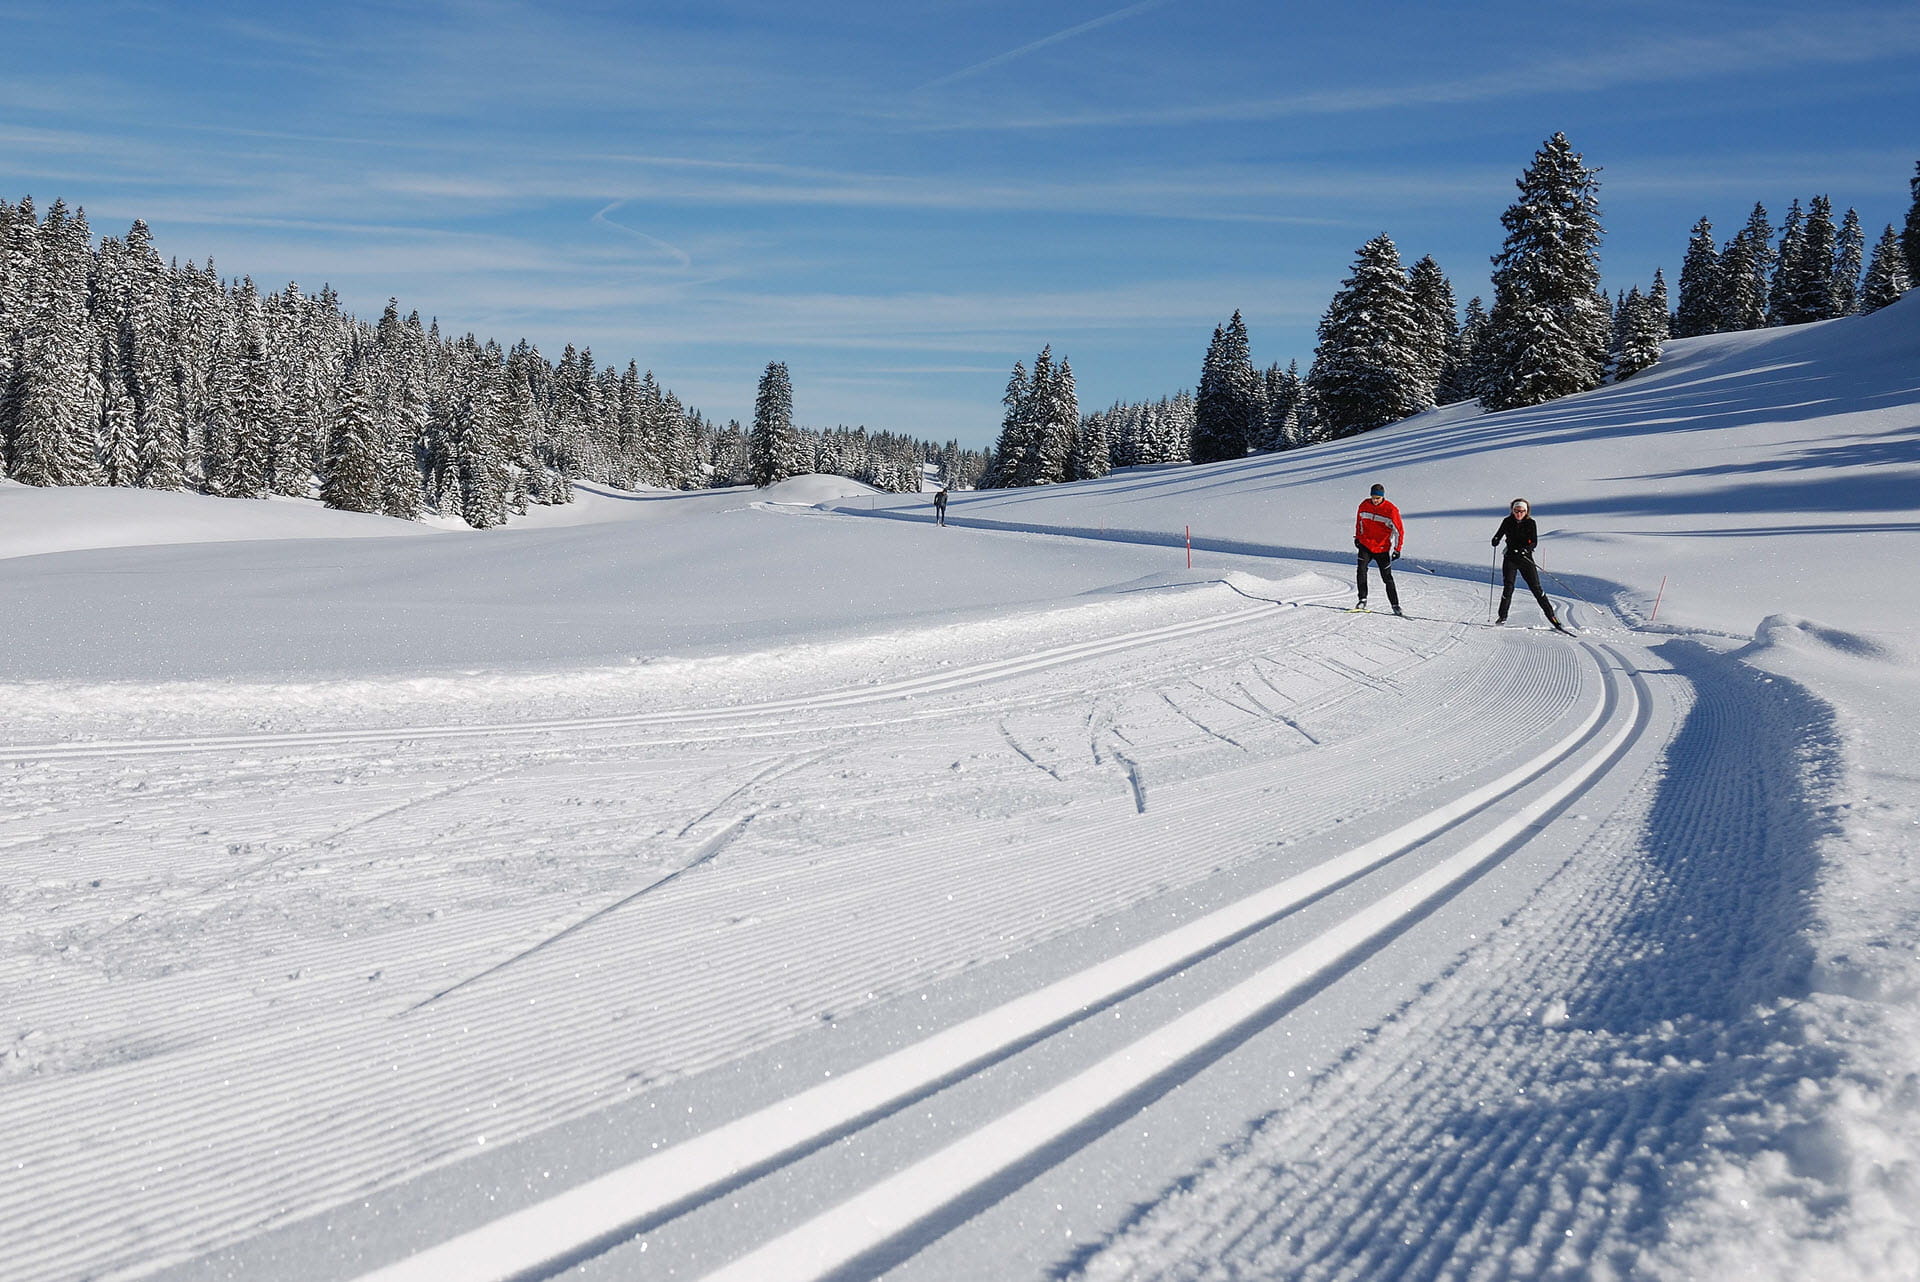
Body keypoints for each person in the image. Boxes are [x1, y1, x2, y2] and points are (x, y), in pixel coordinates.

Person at [1490, 497, 1563, 629]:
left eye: (1522, 511)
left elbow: (1533, 541)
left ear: (1526, 511)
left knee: (1536, 588)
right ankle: (1502, 616)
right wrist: (1495, 540)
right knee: (1508, 587)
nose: (1519, 514)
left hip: (1525, 559)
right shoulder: (1507, 521)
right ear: (1512, 510)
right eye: (1516, 511)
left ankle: (1552, 617)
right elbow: (1498, 535)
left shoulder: (1530, 523)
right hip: (1510, 558)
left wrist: (1526, 549)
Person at [1353, 482, 1404, 615]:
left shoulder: (1391, 510)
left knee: (1387, 577)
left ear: (1383, 497)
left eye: (1378, 498)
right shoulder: (1364, 505)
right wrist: (1358, 537)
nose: (1375, 501)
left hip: (1382, 548)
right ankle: (1362, 599)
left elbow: (1399, 531)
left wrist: (1397, 549)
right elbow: (1359, 522)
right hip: (1366, 545)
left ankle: (1395, 605)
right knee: (1361, 570)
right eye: (1373, 497)